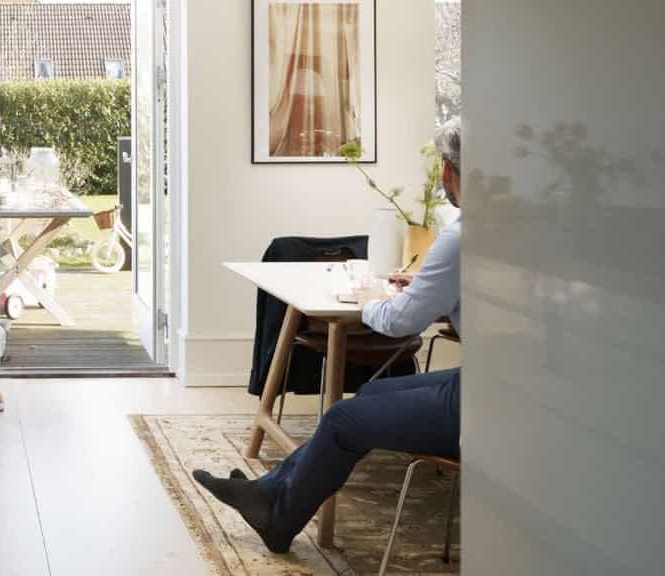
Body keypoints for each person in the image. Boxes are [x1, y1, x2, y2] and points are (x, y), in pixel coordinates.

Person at [193, 118, 464, 554]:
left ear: (449, 171)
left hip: (487, 406)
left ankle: (278, 520)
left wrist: (373, 297)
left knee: (341, 419)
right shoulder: (508, 230)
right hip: (501, 386)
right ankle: (269, 493)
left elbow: (400, 323)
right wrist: (428, 290)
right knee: (375, 394)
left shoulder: (460, 238)